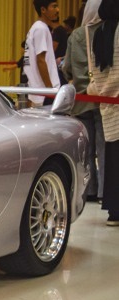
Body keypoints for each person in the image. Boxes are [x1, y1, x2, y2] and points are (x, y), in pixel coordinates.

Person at [63, 0, 105, 203]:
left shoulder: (76, 35)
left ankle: (89, 189)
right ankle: (105, 192)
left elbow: (67, 68)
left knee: (85, 150)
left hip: (81, 99)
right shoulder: (109, 32)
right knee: (104, 148)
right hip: (103, 98)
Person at [89, 0, 119, 225]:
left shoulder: (98, 33)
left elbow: (96, 72)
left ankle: (114, 211)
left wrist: (104, 91)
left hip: (107, 105)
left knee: (112, 160)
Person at [23, 0, 61, 106]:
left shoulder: (37, 27)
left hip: (38, 90)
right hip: (43, 92)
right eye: (54, 6)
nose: (57, 10)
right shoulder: (41, 29)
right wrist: (50, 90)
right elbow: (40, 60)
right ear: (43, 10)